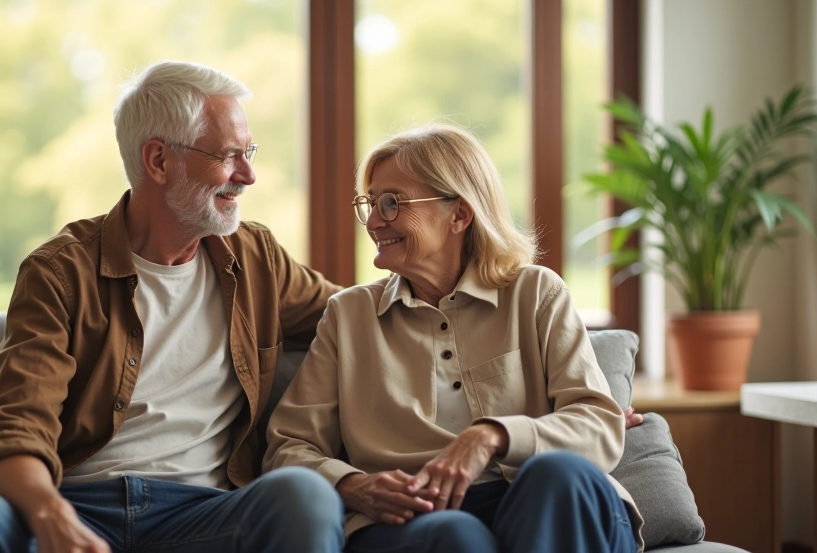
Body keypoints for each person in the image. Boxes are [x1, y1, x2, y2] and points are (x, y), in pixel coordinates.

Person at [0, 61, 345, 553]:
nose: (248, 175)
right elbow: (16, 426)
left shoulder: (255, 259)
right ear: (159, 161)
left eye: (248, 152)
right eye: (229, 155)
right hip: (80, 505)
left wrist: (443, 263)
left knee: (302, 495)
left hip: (204, 514)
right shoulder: (60, 272)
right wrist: (49, 513)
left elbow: (355, 315)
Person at [264, 124, 646, 553]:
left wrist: (491, 436)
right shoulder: (349, 315)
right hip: (417, 517)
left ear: (459, 215)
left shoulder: (537, 292)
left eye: (391, 203)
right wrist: (354, 485)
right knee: (454, 538)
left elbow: (599, 425)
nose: (373, 221)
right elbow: (288, 446)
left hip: (537, 499)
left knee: (558, 475)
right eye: (370, 203)